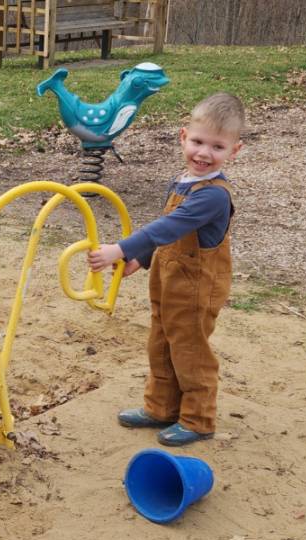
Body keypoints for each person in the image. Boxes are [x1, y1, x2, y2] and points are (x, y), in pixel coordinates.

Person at [87, 92, 245, 446]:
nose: (204, 154)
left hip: (196, 289)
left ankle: (198, 419)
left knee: (190, 352)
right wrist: (139, 259)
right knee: (160, 345)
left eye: (217, 147)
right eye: (198, 141)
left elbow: (168, 228)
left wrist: (119, 248)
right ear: (183, 137)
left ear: (234, 151)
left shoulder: (213, 195)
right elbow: (168, 231)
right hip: (168, 282)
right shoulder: (183, 181)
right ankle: (160, 408)